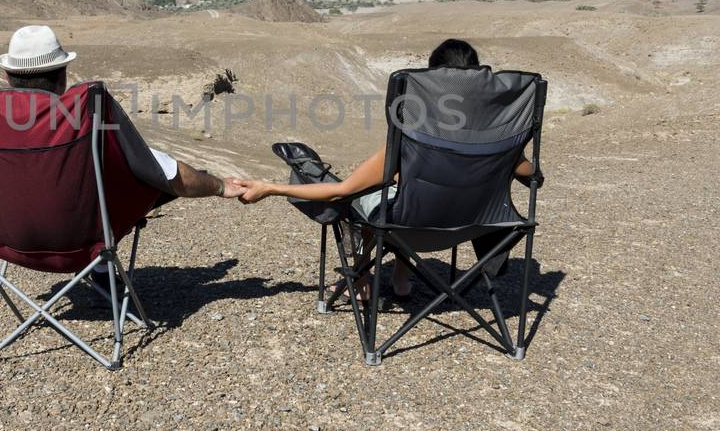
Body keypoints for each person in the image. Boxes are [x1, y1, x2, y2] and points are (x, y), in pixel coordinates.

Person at [229, 38, 538, 299]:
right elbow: (534, 176)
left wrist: (270, 188)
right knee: (407, 189)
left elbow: (342, 190)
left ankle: (362, 278)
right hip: (472, 225)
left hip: (411, 228)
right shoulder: (500, 144)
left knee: (370, 195)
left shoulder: (413, 139)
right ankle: (401, 279)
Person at [0, 25, 247, 206]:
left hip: (4, 240)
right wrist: (218, 185)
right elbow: (167, 173)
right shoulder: (86, 117)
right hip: (83, 240)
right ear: (63, 75)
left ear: (8, 76)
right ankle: (103, 272)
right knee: (151, 182)